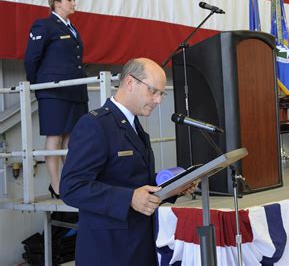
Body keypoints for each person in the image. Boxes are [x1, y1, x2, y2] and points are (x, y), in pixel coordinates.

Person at [60, 58, 195, 265]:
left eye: (162, 93)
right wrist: (129, 198)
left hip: (138, 244)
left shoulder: (135, 126)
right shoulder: (95, 125)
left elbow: (133, 181)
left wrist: (171, 188)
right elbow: (71, 187)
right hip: (109, 250)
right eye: (153, 91)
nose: (158, 100)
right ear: (131, 83)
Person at [24, 0, 88, 199]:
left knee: (72, 138)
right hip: (53, 90)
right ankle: (56, 185)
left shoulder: (72, 28)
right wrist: (37, 85)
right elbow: (31, 58)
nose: (73, 3)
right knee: (55, 136)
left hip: (74, 89)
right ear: (56, 3)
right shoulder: (44, 25)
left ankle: (70, 183)